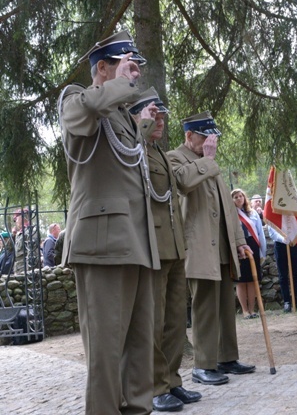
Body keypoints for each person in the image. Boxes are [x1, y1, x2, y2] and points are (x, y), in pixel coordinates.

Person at [58, 30, 160, 414]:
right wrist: (120, 84)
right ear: (102, 67)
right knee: (104, 352)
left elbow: (131, 159)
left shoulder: (119, 114)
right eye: (124, 61)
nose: (133, 69)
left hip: (134, 241)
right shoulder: (76, 99)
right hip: (102, 245)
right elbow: (82, 114)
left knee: (139, 347)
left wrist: (143, 121)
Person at [167, 111, 255, 387]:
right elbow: (183, 183)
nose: (210, 143)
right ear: (189, 135)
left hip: (222, 245)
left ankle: (226, 357)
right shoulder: (175, 157)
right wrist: (207, 160)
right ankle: (203, 365)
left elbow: (228, 207)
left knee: (225, 305)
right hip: (197, 245)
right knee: (204, 306)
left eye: (212, 138)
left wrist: (240, 242)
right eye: (205, 137)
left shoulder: (209, 162)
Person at [129, 88, 202, 412]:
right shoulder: (134, 150)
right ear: (139, 117)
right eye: (152, 116)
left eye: (161, 117)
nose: (159, 121)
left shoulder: (159, 152)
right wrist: (141, 128)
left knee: (175, 321)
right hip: (153, 249)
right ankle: (155, 387)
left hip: (173, 247)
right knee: (154, 323)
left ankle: (172, 380)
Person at [231, 188, 266, 319]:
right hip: (238, 246)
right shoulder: (230, 214)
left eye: (241, 196)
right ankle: (245, 310)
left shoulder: (253, 213)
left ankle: (252, 309)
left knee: (252, 279)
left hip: (253, 245)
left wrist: (262, 251)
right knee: (241, 280)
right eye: (235, 197)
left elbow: (260, 233)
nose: (239, 198)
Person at [268, 225, 297, 313]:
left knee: (296, 274)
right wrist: (282, 239)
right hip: (280, 245)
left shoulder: (290, 213)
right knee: (283, 275)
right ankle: (287, 302)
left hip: (293, 243)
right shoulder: (273, 215)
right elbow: (272, 233)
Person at [12, 208, 39, 275]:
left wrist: (29, 272)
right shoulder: (20, 233)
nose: (16, 222)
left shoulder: (31, 231)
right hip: (19, 270)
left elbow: (33, 253)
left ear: (22, 217)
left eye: (16, 219)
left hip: (26, 272)